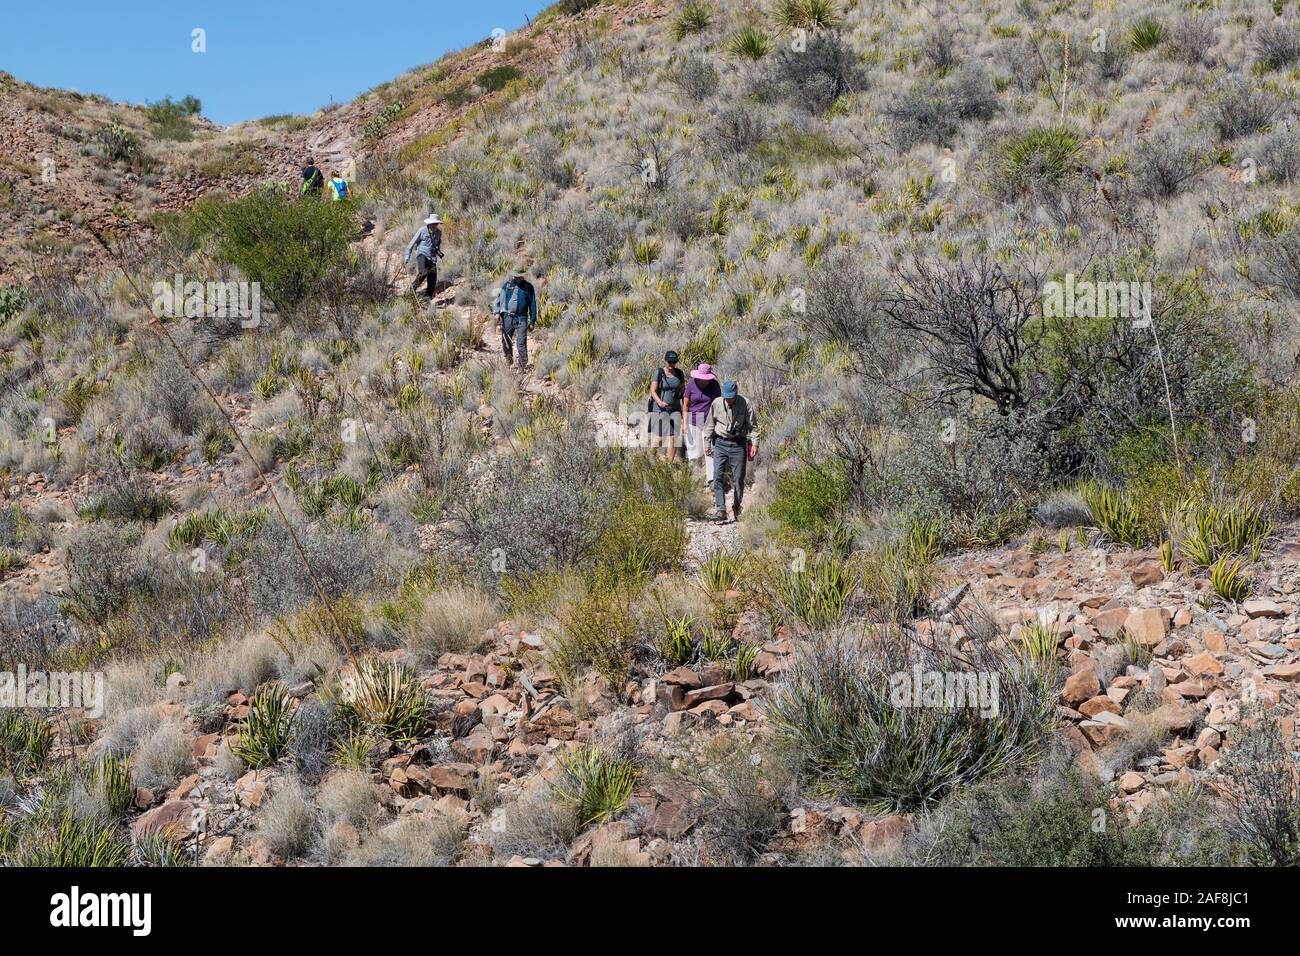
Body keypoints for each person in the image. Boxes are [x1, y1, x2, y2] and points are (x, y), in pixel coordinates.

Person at [704, 380, 758, 523]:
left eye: (731, 397)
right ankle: (721, 509)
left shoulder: (745, 404)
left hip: (738, 444)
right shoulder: (716, 403)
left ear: (736, 394)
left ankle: (736, 506)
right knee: (717, 476)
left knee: (739, 478)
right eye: (726, 397)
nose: (728, 399)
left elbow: (753, 426)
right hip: (720, 443)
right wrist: (706, 443)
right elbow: (710, 424)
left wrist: (754, 443)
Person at [682, 362, 722, 486]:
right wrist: (684, 423)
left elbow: (719, 403)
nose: (704, 381)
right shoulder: (691, 385)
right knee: (695, 451)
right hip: (693, 421)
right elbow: (686, 405)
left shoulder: (715, 385)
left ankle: (711, 479)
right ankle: (695, 478)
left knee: (709, 450)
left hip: (709, 421)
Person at [494, 261, 537, 368]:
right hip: (507, 316)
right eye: (515, 276)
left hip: (521, 318)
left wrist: (532, 321)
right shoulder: (507, 285)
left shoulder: (528, 287)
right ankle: (509, 360)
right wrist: (497, 312)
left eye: (519, 276)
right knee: (506, 340)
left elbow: (532, 304)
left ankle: (523, 364)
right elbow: (499, 300)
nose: (517, 278)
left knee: (521, 342)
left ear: (522, 275)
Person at [646, 351, 686, 460]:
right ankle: (649, 458)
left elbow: (683, 392)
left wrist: (683, 410)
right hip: (660, 409)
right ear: (665, 361)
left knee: (674, 437)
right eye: (669, 361)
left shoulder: (679, 374)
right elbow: (653, 390)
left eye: (674, 362)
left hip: (675, 409)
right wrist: (660, 402)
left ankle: (669, 464)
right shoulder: (658, 373)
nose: (671, 364)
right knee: (660, 437)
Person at [404, 215, 445, 300]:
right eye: (433, 223)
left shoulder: (439, 233)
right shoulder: (422, 230)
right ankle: (412, 289)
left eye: (436, 224)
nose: (434, 225)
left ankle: (427, 299)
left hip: (432, 258)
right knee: (423, 272)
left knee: (433, 279)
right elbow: (411, 244)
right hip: (421, 254)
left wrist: (438, 251)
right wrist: (407, 256)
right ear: (429, 223)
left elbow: (437, 245)